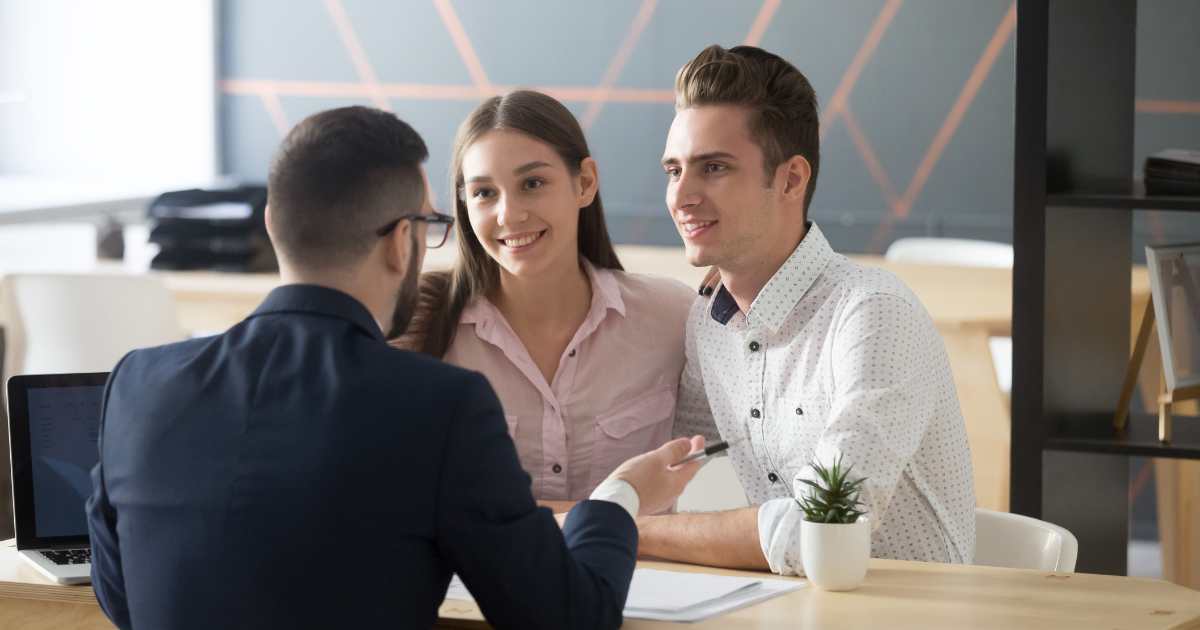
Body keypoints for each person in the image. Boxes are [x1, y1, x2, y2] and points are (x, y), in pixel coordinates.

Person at [86, 105, 704, 630]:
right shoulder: (439, 405)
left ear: (273, 226)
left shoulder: (136, 385)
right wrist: (618, 497)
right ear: (400, 242)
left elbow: (123, 601)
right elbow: (568, 616)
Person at [643, 45, 976, 575]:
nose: (680, 195)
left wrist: (630, 532)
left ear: (792, 179)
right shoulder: (708, 322)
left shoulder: (873, 314)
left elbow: (822, 528)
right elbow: (680, 485)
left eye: (713, 168)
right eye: (673, 169)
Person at [396, 90, 697, 511]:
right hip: (479, 579)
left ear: (585, 183)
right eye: (484, 193)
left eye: (532, 184)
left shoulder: (672, 317)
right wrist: (620, 502)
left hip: (642, 576)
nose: (509, 214)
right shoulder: (420, 329)